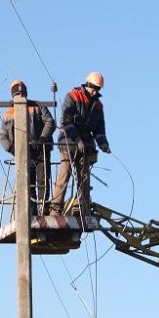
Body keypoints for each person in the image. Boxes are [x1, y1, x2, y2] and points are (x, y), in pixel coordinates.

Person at [50, 71, 110, 216]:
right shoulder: (73, 96)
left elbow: (99, 129)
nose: (95, 91)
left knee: (84, 176)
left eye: (98, 89)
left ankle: (79, 206)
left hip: (86, 144)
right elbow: (65, 120)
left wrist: (103, 144)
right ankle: (55, 207)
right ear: (87, 84)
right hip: (68, 140)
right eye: (94, 87)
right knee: (65, 173)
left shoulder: (98, 106)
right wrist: (76, 140)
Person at [0, 79, 55, 213]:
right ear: (13, 96)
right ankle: (32, 212)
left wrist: (42, 138)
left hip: (41, 152)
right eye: (18, 94)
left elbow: (50, 122)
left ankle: (43, 209)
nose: (21, 97)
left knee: (43, 181)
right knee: (27, 184)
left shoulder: (38, 106)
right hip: (23, 155)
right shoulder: (8, 114)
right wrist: (12, 149)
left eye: (22, 94)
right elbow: (2, 136)